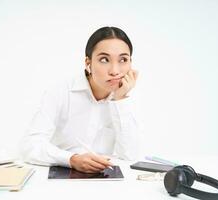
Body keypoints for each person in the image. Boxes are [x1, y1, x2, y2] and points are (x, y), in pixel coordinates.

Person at [20, 26, 139, 173]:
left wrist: (120, 100)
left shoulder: (125, 98)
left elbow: (129, 156)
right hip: (61, 176)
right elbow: (30, 145)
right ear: (88, 63)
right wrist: (71, 159)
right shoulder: (60, 92)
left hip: (106, 181)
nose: (115, 71)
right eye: (104, 59)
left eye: (123, 60)